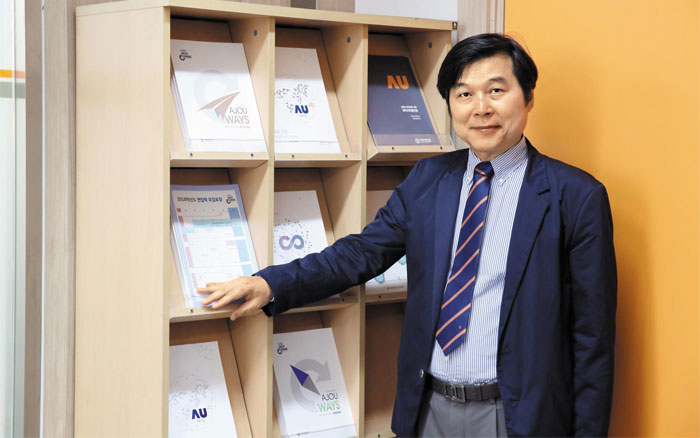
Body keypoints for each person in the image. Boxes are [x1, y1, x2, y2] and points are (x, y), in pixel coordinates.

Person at [198, 33, 617, 437]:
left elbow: (592, 340)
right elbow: (361, 252)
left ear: (527, 97)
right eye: (464, 94)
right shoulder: (428, 179)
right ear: (450, 103)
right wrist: (270, 284)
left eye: (496, 91)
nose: (480, 108)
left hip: (516, 416)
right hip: (428, 409)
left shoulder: (575, 196)